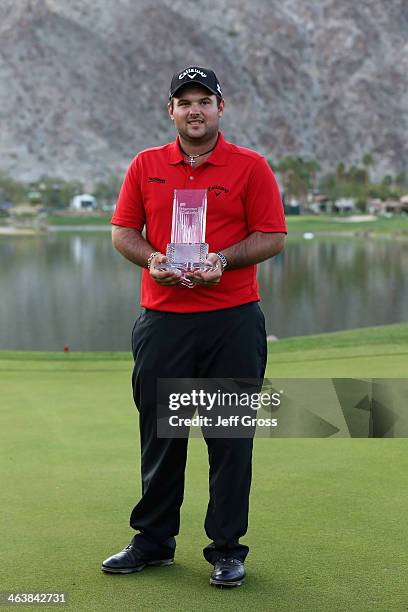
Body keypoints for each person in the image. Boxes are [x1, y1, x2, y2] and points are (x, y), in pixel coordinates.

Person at [101, 66, 286, 587]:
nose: (195, 110)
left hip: (231, 321)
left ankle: (227, 549)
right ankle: (153, 542)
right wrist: (154, 258)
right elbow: (122, 231)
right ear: (171, 112)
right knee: (162, 435)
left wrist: (222, 261)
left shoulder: (249, 167)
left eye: (204, 101)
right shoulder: (146, 165)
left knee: (229, 438)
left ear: (220, 109)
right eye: (185, 103)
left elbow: (272, 235)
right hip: (163, 322)